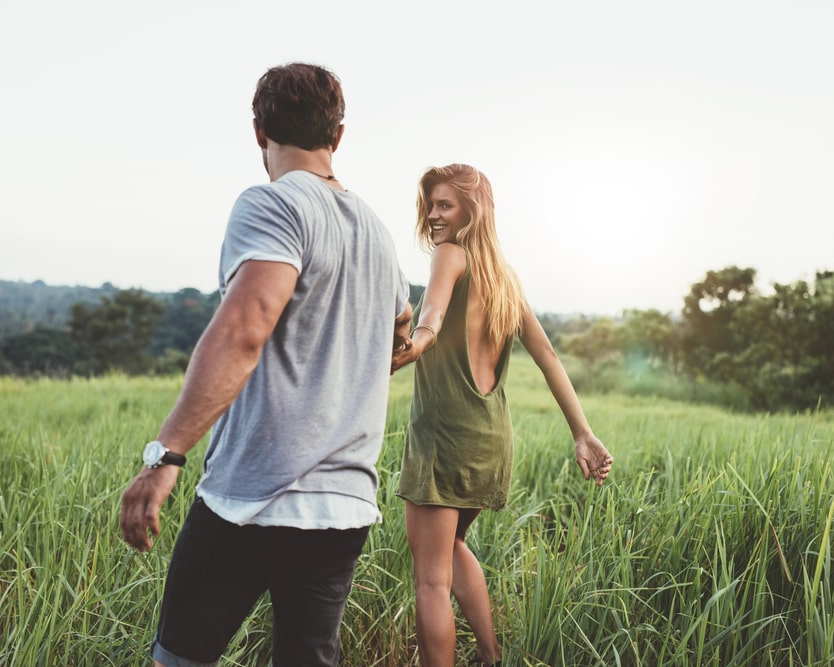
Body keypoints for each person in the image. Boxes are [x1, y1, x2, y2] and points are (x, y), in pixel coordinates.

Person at [119, 62, 412, 667]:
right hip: (344, 506)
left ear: (259, 133)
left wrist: (167, 454)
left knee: (181, 658)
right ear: (338, 135)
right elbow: (398, 339)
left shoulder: (273, 205)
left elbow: (244, 330)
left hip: (253, 498)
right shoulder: (380, 236)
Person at [390, 163, 613, 667]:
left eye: (445, 205)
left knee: (430, 580)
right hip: (491, 439)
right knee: (452, 549)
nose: (433, 215)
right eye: (431, 205)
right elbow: (549, 356)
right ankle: (490, 657)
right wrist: (583, 432)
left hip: (444, 438)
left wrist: (413, 343)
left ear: (472, 211)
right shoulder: (504, 278)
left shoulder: (449, 256)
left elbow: (431, 319)